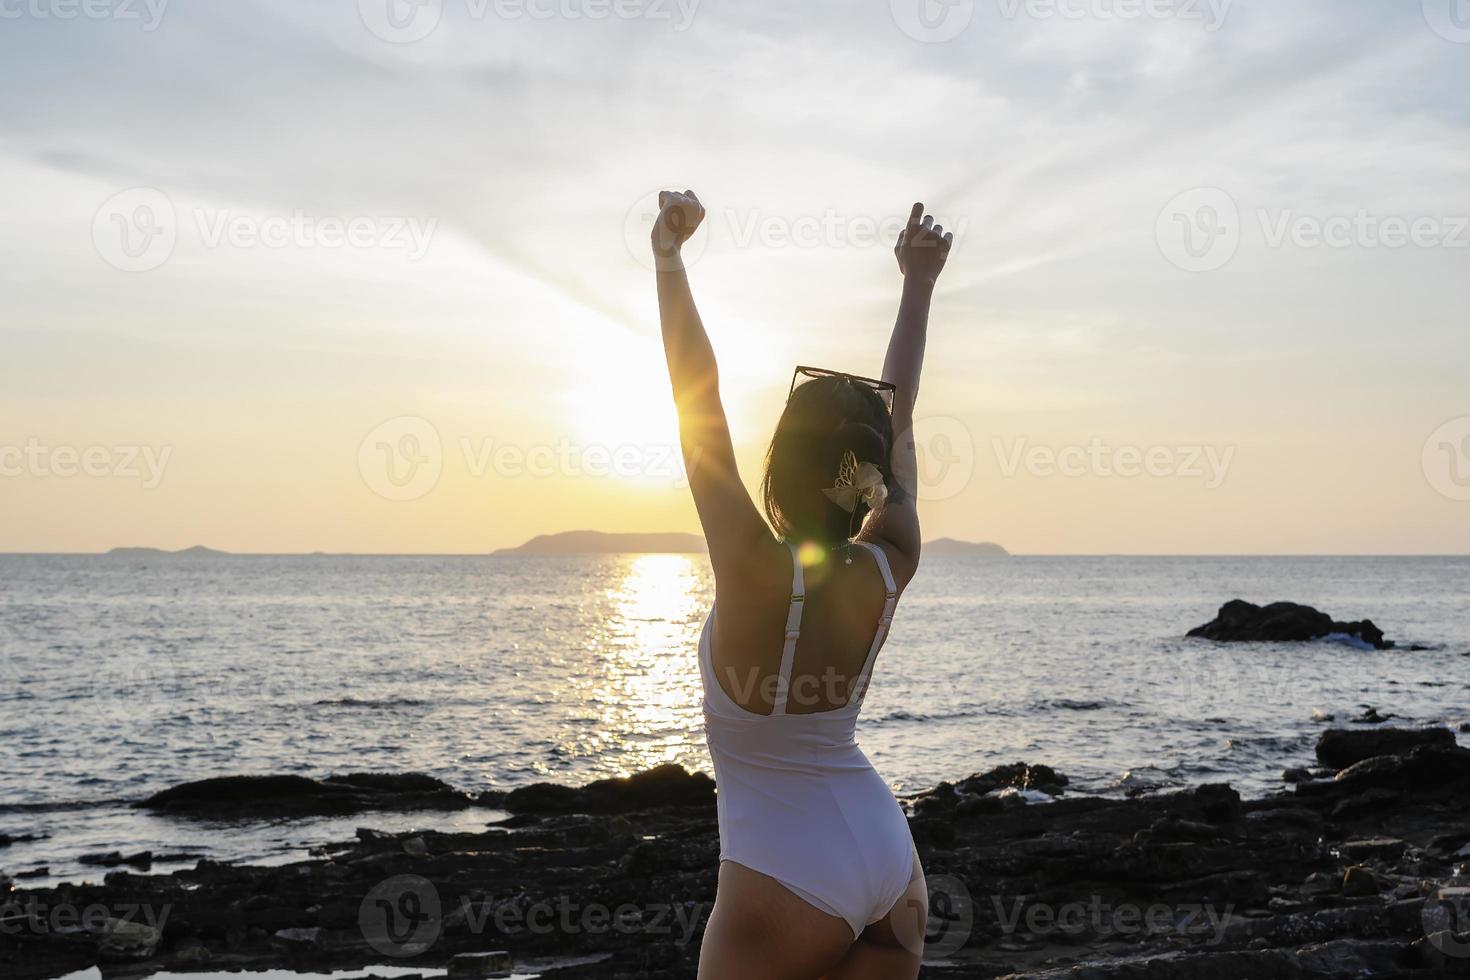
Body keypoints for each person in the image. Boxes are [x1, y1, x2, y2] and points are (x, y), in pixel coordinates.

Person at [652, 190, 953, 979]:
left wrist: (670, 258)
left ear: (782, 465)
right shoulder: (894, 557)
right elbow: (904, 413)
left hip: (781, 878)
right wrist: (917, 284)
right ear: (870, 473)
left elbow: (700, 407)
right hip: (892, 869)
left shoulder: (752, 567)